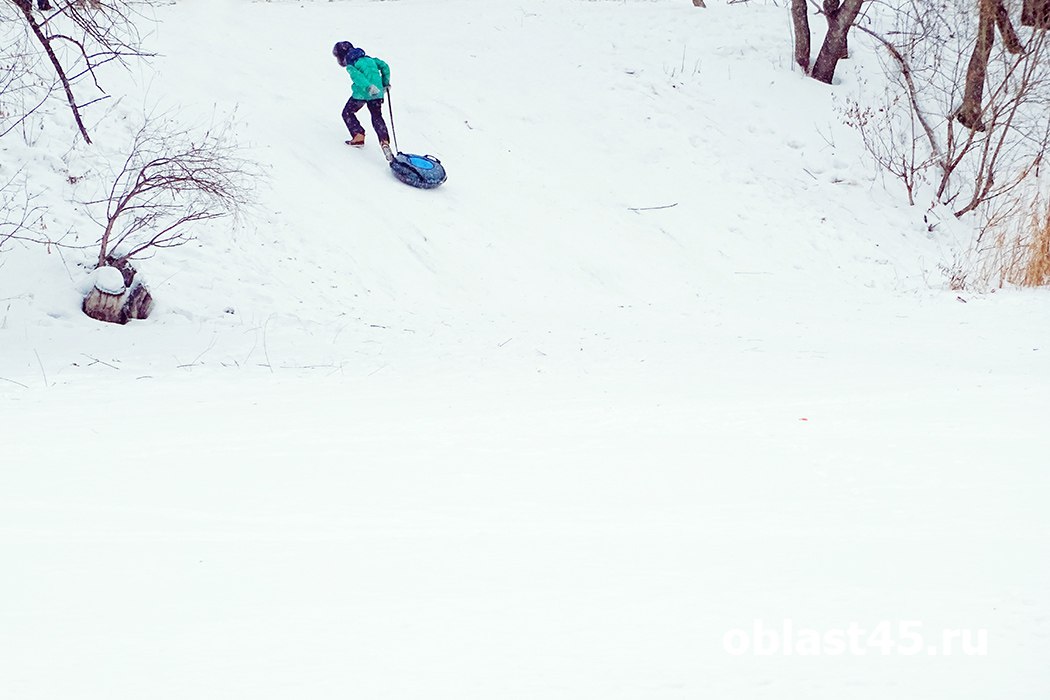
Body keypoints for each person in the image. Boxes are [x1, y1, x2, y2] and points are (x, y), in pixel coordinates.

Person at [332, 41, 393, 162]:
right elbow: (385, 66)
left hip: (362, 93)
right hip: (378, 92)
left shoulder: (352, 65)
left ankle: (358, 136)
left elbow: (357, 77)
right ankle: (384, 141)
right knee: (377, 116)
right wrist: (385, 83)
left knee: (347, 112)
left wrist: (368, 87)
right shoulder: (371, 60)